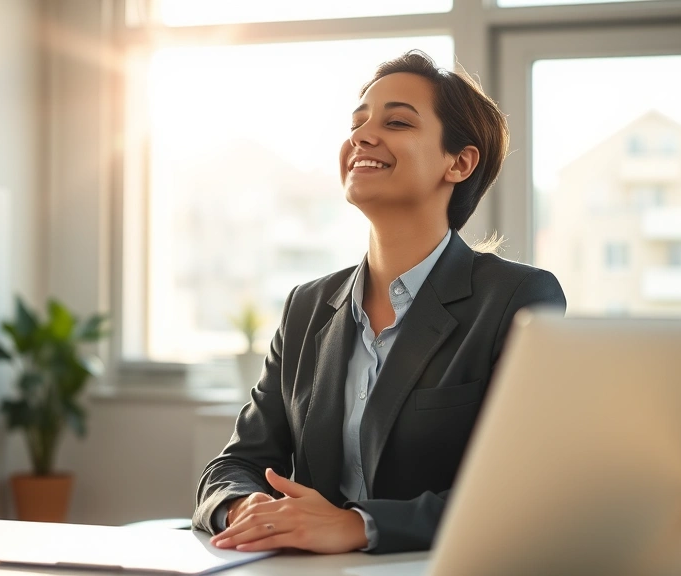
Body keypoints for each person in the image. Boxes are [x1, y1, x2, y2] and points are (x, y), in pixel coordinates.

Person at [194, 50, 566, 555]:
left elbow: (527, 492)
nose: (362, 136)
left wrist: (358, 525)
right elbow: (234, 466)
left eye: (396, 122)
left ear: (459, 162)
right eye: (358, 122)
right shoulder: (307, 306)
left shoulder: (517, 298)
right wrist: (247, 509)